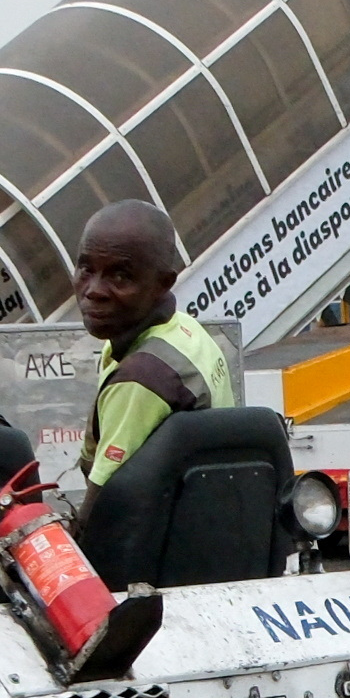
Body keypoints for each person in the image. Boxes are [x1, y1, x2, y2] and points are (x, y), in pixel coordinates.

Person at [67, 200, 234, 495]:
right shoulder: (186, 331)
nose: (93, 290)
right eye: (86, 268)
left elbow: (106, 507)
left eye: (120, 276)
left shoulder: (143, 375)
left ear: (163, 283)